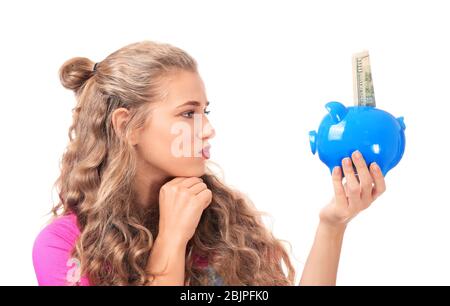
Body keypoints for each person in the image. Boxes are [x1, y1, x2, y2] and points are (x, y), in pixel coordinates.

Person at [32, 40, 386, 286]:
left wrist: (333, 223)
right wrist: (171, 239)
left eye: (206, 111)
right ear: (127, 126)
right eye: (188, 113)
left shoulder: (223, 222)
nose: (208, 130)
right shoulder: (63, 246)